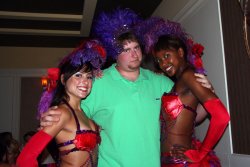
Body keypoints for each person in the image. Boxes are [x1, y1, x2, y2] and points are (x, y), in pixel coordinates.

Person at [40, 9, 213, 167]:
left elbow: (191, 117)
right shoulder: (97, 82)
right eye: (126, 50)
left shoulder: (161, 83)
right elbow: (74, 117)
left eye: (136, 47)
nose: (134, 54)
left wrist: (204, 95)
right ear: (115, 55)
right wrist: (54, 116)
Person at [139, 17, 230, 166]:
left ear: (180, 52)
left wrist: (200, 153)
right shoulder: (180, 81)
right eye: (159, 60)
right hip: (168, 161)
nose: (163, 64)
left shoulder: (188, 75)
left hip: (180, 162)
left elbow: (222, 116)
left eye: (167, 56)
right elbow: (191, 118)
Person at [16, 39, 106, 167]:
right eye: (78, 75)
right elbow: (25, 158)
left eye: (89, 77)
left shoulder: (84, 114)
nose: (85, 82)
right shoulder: (61, 113)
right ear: (63, 79)